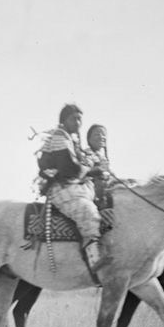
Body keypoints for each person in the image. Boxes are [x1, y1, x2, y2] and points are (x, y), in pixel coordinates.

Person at [37, 104, 109, 272]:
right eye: (74, 119)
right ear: (64, 120)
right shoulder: (59, 138)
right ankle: (94, 258)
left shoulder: (70, 139)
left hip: (73, 185)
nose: (78, 123)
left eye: (80, 119)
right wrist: (93, 170)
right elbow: (69, 168)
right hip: (61, 188)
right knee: (88, 212)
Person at [85, 123, 113, 208]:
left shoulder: (103, 158)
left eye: (103, 134)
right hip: (91, 193)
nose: (101, 137)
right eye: (97, 134)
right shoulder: (86, 154)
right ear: (89, 139)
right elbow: (86, 172)